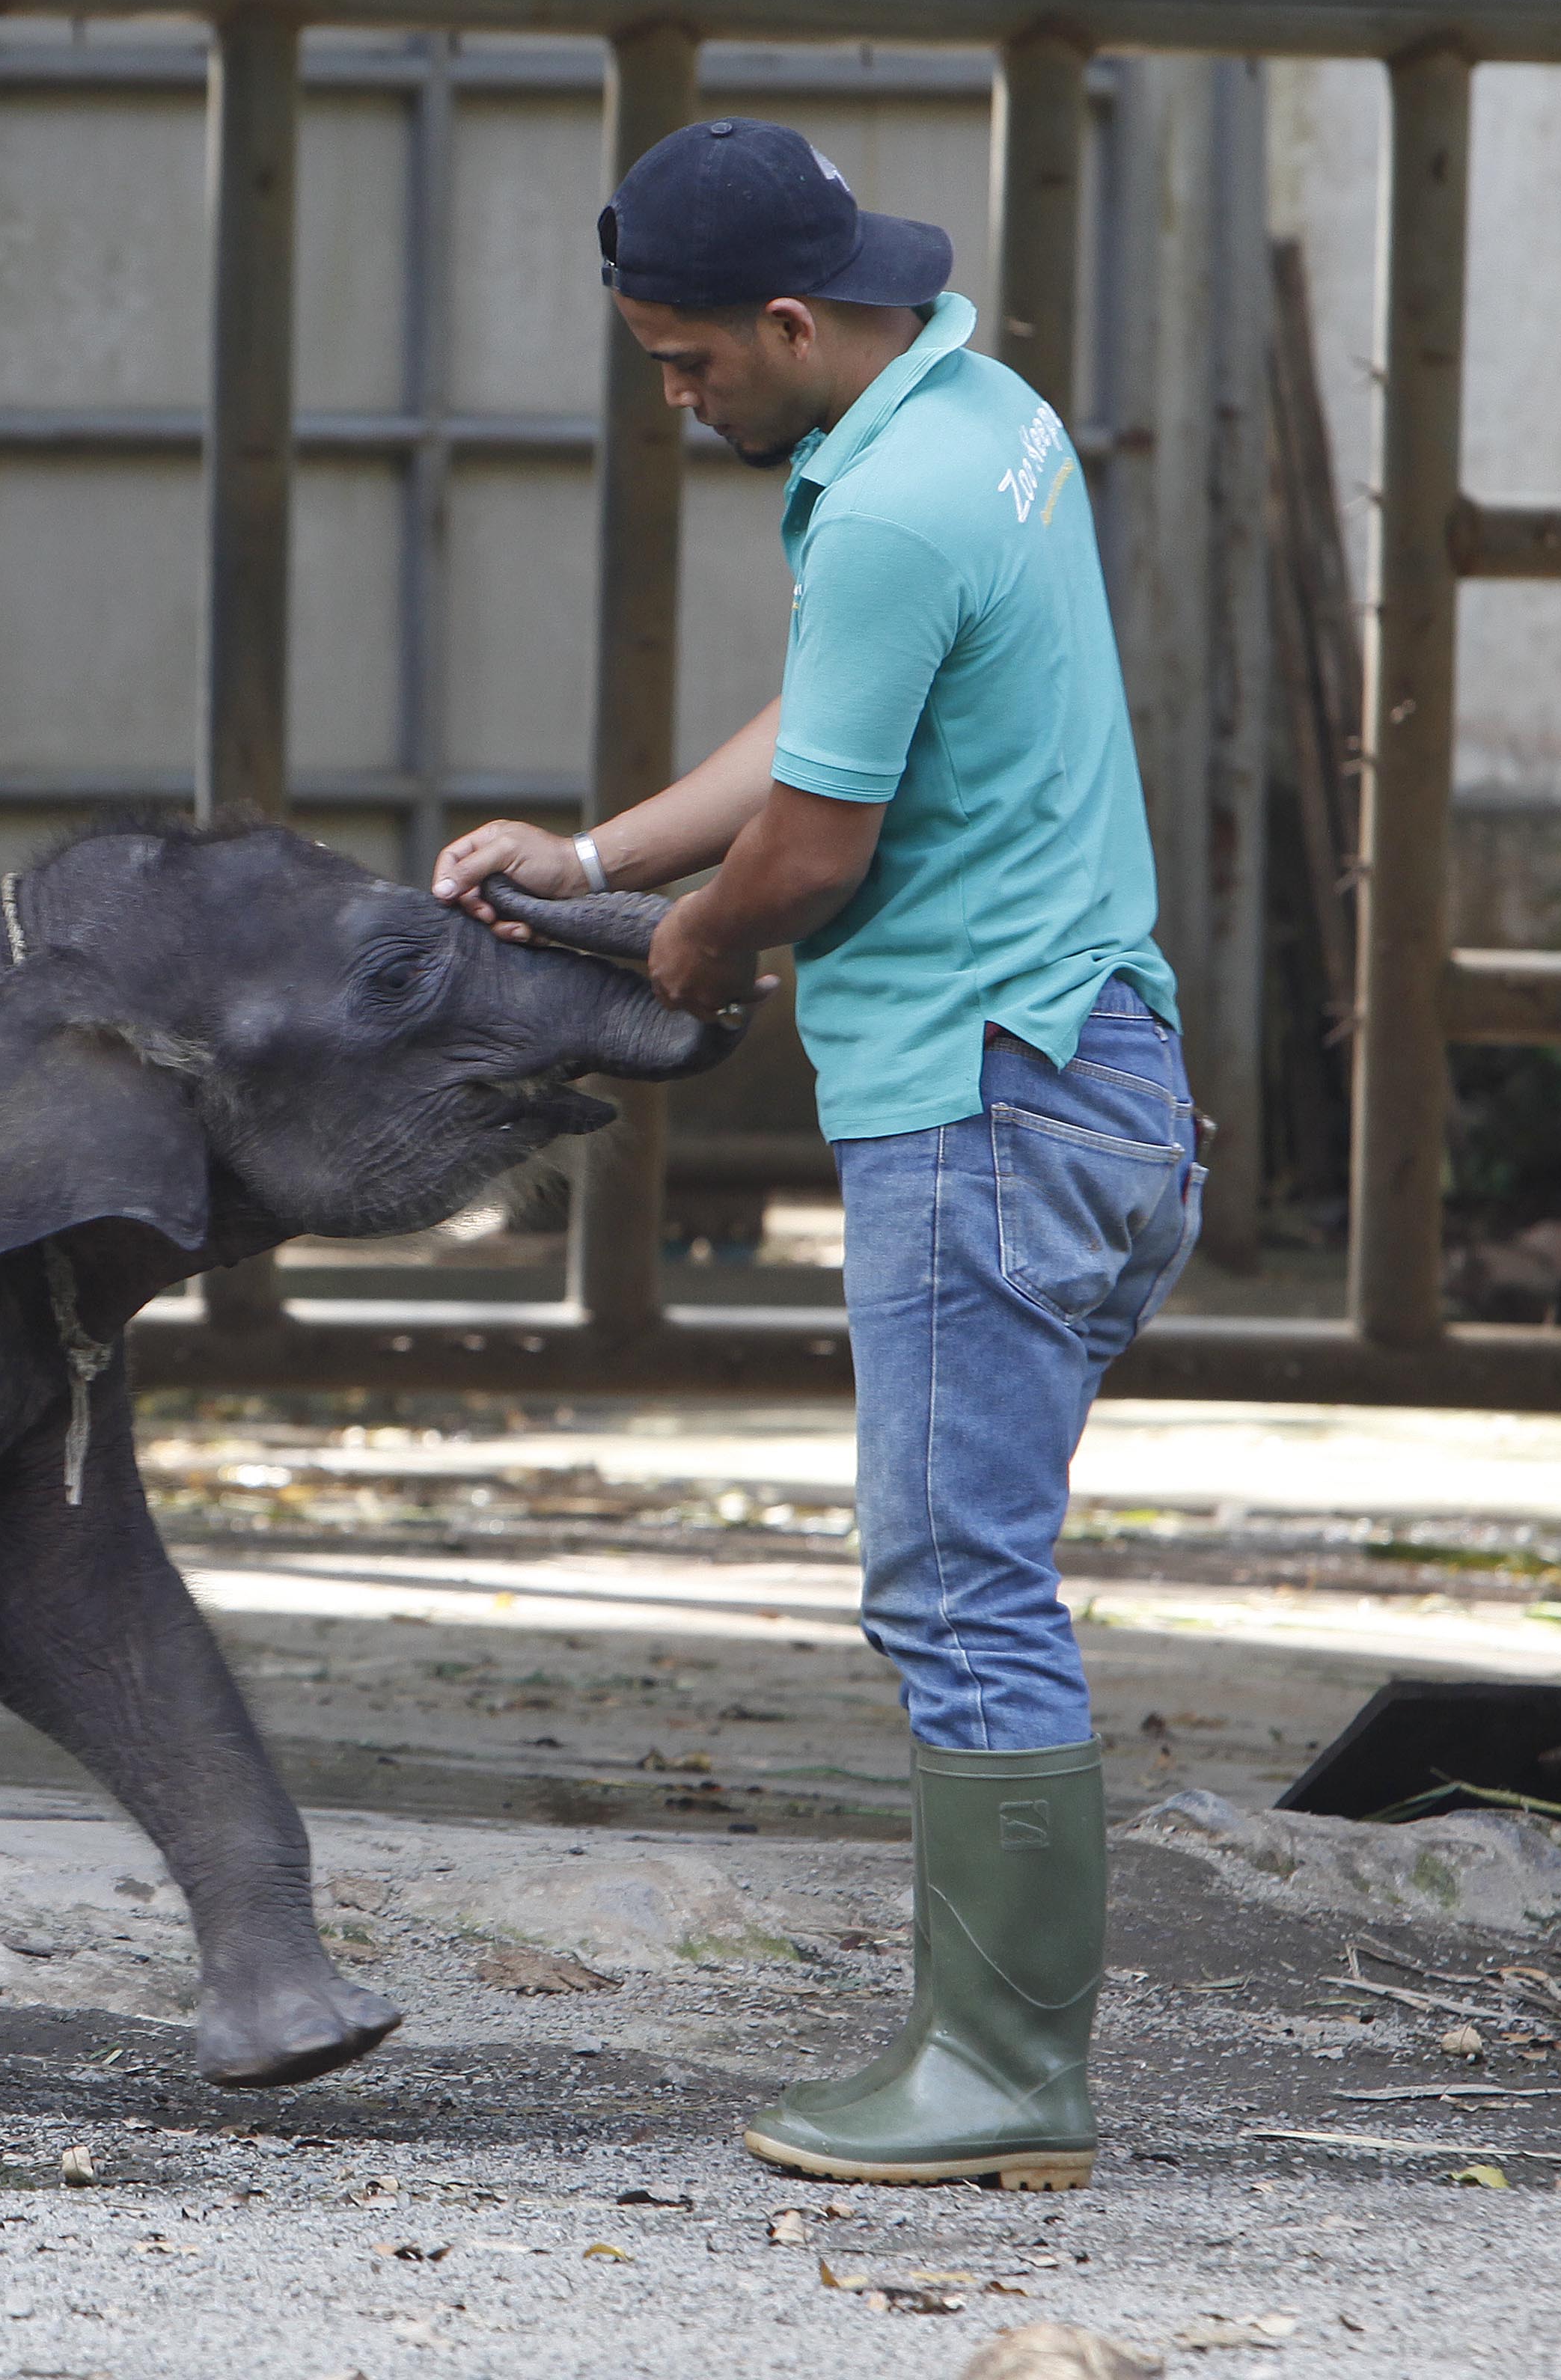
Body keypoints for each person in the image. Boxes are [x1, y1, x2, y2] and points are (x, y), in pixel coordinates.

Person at [433, 117, 1198, 2191]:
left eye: (690, 368)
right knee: (970, 1575)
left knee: (955, 1585)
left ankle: (1007, 2076)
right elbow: (827, 729)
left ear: (786, 321)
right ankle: (991, 2056)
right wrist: (593, 857)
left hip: (985, 1107)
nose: (680, 402)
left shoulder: (885, 512)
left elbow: (818, 845)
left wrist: (677, 949)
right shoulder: (979, 415)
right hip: (1094, 1063)